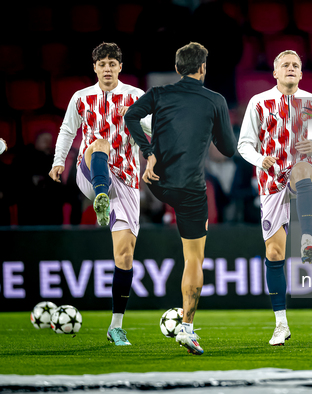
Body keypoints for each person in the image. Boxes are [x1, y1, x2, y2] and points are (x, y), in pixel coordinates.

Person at [125, 42, 236, 355]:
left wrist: (149, 155)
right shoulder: (215, 100)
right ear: (203, 68)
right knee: (194, 259)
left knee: (146, 125)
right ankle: (187, 328)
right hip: (189, 189)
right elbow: (228, 149)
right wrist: (211, 126)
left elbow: (131, 116)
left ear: (176, 69)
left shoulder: (159, 93)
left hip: (157, 182)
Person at [49, 42, 152, 346]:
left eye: (112, 63)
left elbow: (154, 127)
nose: (107, 68)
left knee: (124, 256)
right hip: (90, 173)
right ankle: (100, 197)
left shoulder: (135, 96)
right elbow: (67, 131)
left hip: (127, 181)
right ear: (94, 67)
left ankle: (115, 326)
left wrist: (134, 115)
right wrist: (58, 162)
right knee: (99, 144)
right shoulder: (81, 98)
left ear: (120, 67)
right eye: (102, 63)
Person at [237, 50, 312, 346]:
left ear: (301, 74)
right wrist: (259, 158)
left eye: (296, 65)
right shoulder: (259, 102)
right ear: (275, 73)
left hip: (301, 171)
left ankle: (306, 238)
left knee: (302, 168)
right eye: (285, 65)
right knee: (275, 254)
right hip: (270, 179)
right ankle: (281, 324)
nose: (291, 69)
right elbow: (244, 144)